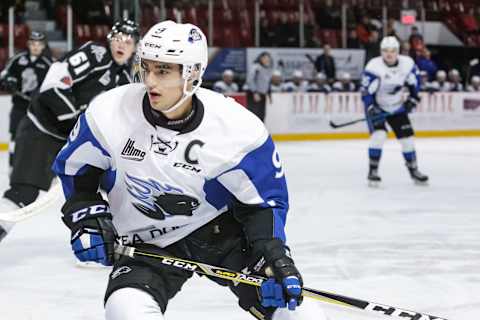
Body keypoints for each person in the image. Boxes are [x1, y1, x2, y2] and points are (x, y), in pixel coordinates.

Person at [52, 20, 319, 320]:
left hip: (221, 233)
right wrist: (86, 217)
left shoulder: (237, 128)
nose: (150, 81)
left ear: (192, 74)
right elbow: (76, 173)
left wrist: (272, 254)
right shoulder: (107, 113)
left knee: (299, 313)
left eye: (163, 70)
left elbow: (263, 203)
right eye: (146, 67)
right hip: (145, 243)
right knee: (124, 310)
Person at [0, 19, 139, 242]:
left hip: (75, 143)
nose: (122, 44)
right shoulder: (96, 53)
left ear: (135, 47)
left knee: (113, 190)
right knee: (24, 194)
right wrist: (75, 121)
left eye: (129, 41)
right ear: (110, 40)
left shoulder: (124, 81)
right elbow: (53, 83)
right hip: (42, 132)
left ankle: (101, 244)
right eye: (118, 38)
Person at [361, 36, 428, 187]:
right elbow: (366, 92)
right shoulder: (373, 67)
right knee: (379, 136)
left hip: (397, 107)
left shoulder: (408, 64)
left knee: (407, 141)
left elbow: (415, 84)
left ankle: (414, 170)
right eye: (385, 51)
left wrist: (413, 99)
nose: (389, 54)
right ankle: (373, 171)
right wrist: (371, 108)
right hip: (377, 107)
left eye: (392, 51)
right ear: (381, 52)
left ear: (398, 51)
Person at [0, 31, 52, 168]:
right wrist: (8, 81)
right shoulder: (18, 59)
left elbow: (54, 87)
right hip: (19, 107)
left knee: (36, 139)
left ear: (43, 46)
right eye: (33, 44)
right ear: (28, 44)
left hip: (36, 110)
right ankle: (12, 166)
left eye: (39, 44)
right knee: (14, 137)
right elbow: (4, 75)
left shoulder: (48, 65)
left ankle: (32, 169)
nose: (35, 47)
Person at [246, 51, 273, 122]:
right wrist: (255, 92)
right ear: (261, 58)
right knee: (254, 115)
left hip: (263, 95)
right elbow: (250, 80)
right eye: (265, 58)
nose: (267, 60)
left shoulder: (268, 68)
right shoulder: (256, 67)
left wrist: (269, 94)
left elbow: (268, 82)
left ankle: (261, 132)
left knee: (262, 115)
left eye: (268, 58)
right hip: (254, 94)